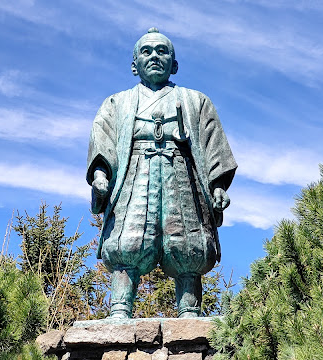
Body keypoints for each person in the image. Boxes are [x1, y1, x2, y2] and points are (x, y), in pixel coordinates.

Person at [87, 28, 237, 318]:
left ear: (174, 64)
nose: (154, 56)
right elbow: (102, 140)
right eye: (146, 51)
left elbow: (213, 144)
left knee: (188, 243)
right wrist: (100, 174)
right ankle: (120, 308)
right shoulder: (116, 103)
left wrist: (218, 185)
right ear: (134, 65)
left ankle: (189, 309)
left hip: (182, 173)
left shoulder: (197, 101)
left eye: (162, 51)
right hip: (134, 173)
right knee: (127, 240)